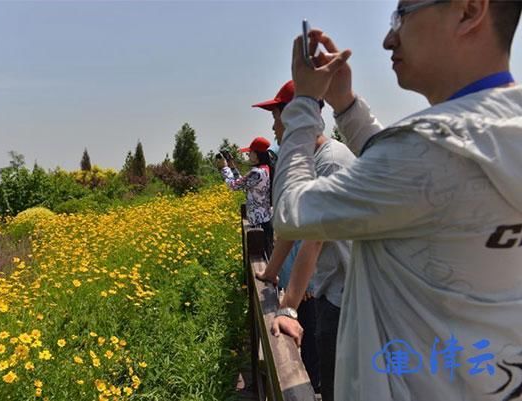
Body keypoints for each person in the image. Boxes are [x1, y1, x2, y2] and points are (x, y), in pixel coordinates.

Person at [272, 1, 522, 400]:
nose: (389, 39)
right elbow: (413, 178)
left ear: (469, 11)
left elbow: (290, 212)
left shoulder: (426, 151)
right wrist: (347, 106)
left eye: (401, 16)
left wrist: (303, 105)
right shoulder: (499, 132)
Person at [252, 80, 354, 398]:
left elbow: (314, 239)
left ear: (296, 115)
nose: (274, 126)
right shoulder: (307, 161)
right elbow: (293, 226)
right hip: (328, 289)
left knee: (338, 386)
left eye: (276, 116)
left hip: (344, 296)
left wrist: (288, 307)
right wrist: (270, 274)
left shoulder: (330, 161)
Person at [218, 137, 274, 256]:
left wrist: (225, 168)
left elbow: (233, 185)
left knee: (260, 259)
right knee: (267, 255)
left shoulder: (256, 173)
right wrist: (232, 166)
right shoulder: (265, 169)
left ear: (257, 154)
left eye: (250, 152)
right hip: (265, 220)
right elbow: (242, 181)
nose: (248, 155)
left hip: (258, 225)